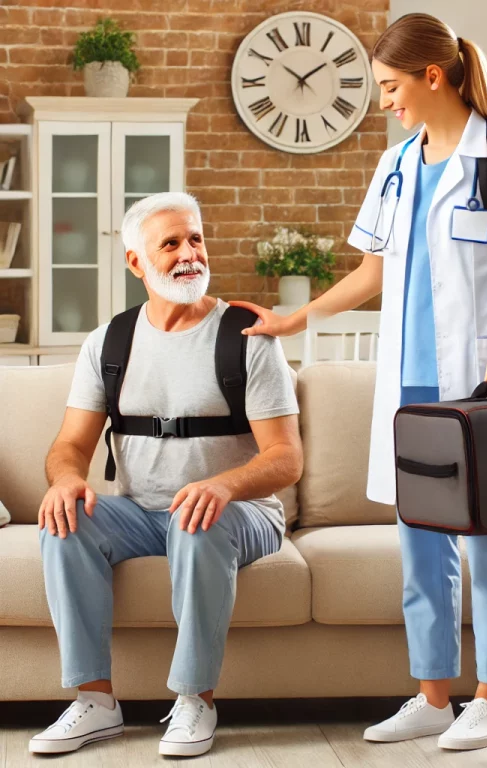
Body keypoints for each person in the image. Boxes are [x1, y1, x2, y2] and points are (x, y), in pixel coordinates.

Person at [234, 13, 487, 752]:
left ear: (432, 76)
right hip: (409, 388)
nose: (384, 102)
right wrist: (297, 321)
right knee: (419, 541)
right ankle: (431, 694)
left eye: (390, 87)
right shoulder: (395, 165)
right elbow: (373, 272)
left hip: (484, 383)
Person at [31, 192, 303, 757]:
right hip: (140, 511)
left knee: (195, 520)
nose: (189, 254)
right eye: (171, 243)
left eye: (196, 239)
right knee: (64, 522)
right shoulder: (109, 342)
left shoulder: (247, 338)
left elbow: (285, 459)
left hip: (241, 514)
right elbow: (71, 444)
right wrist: (65, 479)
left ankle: (194, 700)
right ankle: (95, 703)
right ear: (137, 263)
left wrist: (225, 484)